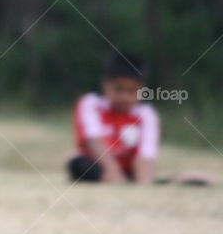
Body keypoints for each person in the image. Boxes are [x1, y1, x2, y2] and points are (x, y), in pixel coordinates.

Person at [68, 51, 218, 186]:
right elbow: (95, 143)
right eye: (119, 89)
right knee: (78, 163)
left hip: (131, 171)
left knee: (145, 179)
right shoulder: (90, 104)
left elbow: (145, 156)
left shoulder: (146, 114)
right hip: (100, 166)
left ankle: (181, 179)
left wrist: (143, 183)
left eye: (132, 91)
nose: (125, 97)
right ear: (105, 85)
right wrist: (115, 176)